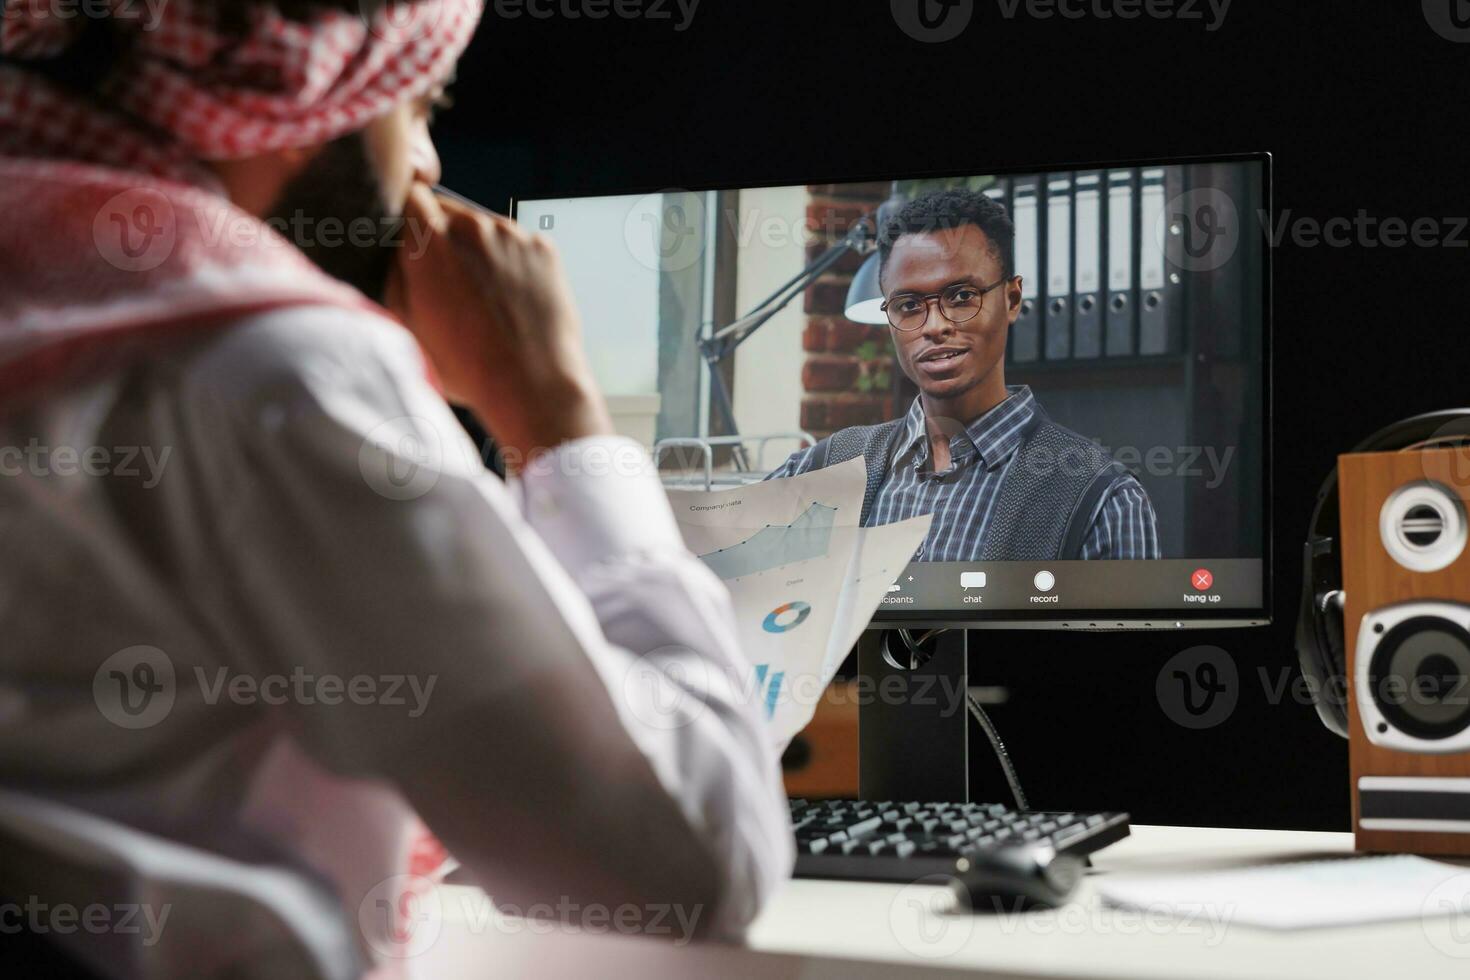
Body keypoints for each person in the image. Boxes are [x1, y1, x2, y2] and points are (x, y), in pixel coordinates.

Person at [0, 0, 791, 973]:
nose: (426, 167)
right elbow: (690, 873)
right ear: (297, 92)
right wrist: (553, 409)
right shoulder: (273, 365)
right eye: (417, 106)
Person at [769, 189, 1161, 562]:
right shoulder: (822, 469)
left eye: (961, 297)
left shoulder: (1101, 501)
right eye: (908, 305)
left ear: (1011, 299)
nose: (935, 325)